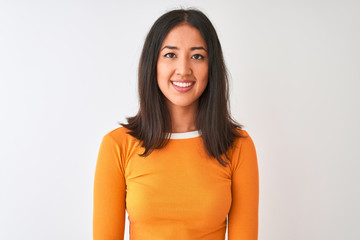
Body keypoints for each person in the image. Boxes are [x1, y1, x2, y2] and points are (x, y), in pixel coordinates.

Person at [93, 8, 259, 240]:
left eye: (197, 56)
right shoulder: (117, 145)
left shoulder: (238, 146)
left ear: (211, 67)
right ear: (154, 64)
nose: (183, 69)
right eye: (170, 55)